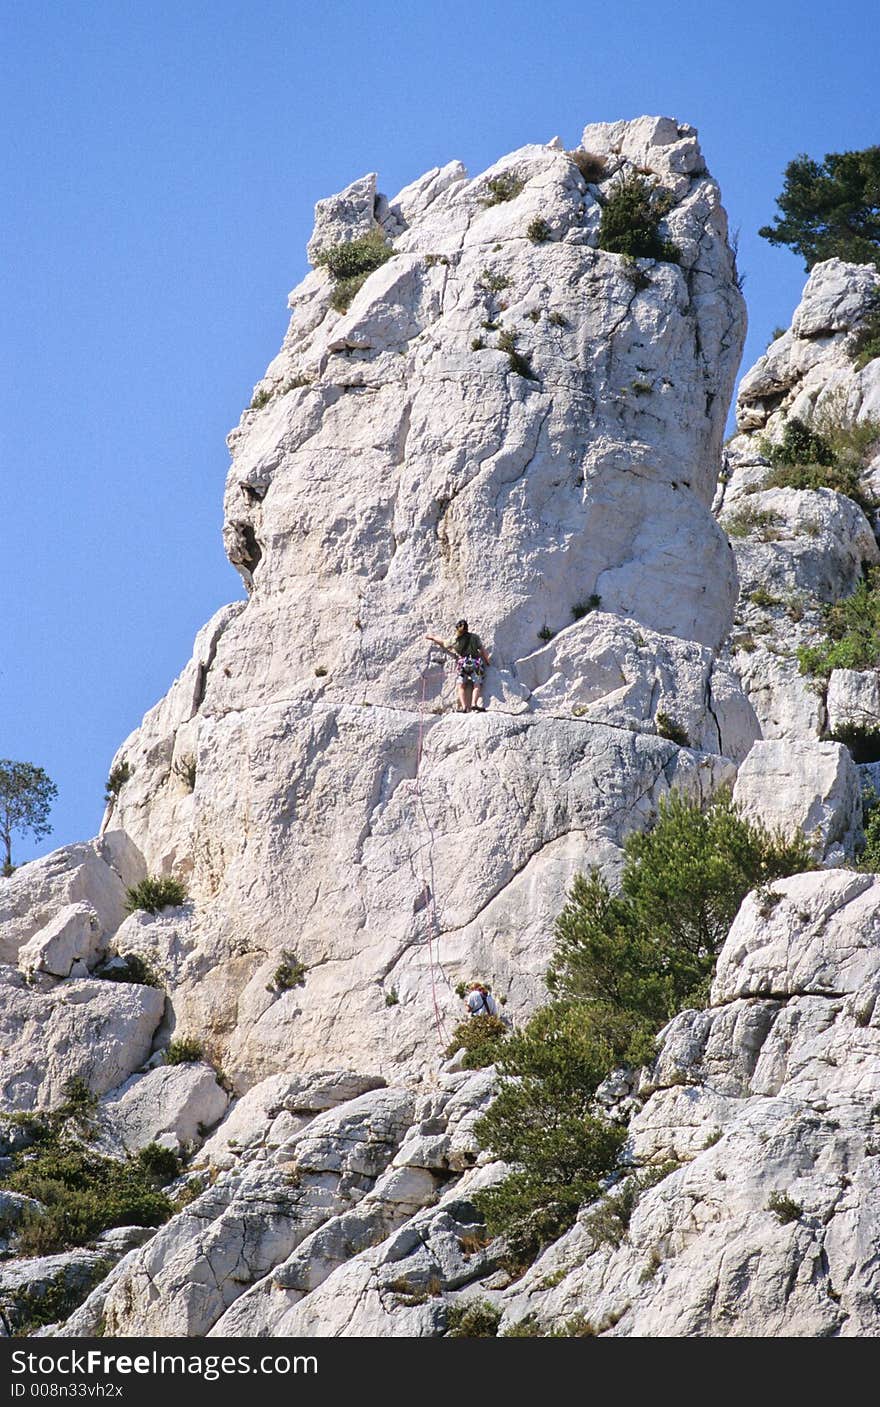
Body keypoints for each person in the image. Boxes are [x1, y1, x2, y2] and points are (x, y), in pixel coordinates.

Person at [425, 619, 491, 712]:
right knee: (477, 685)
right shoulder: (475, 637)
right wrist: (488, 661)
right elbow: (483, 650)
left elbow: (443, 643)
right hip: (476, 663)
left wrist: (432, 637)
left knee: (461, 686)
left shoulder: (455, 640)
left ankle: (464, 707)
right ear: (467, 628)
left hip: (463, 664)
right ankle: (474, 704)